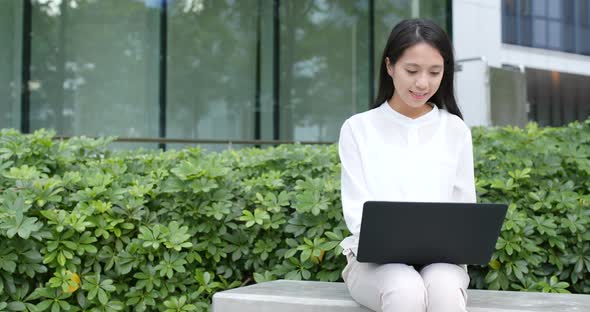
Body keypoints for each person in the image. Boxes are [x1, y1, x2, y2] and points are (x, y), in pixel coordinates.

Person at [338, 18, 476, 312]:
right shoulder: (358, 128)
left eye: (434, 72)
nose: (422, 83)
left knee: (444, 290)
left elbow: (465, 209)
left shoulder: (455, 130)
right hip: (373, 263)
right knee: (404, 289)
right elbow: (357, 212)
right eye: (411, 70)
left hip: (443, 261)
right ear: (390, 66)